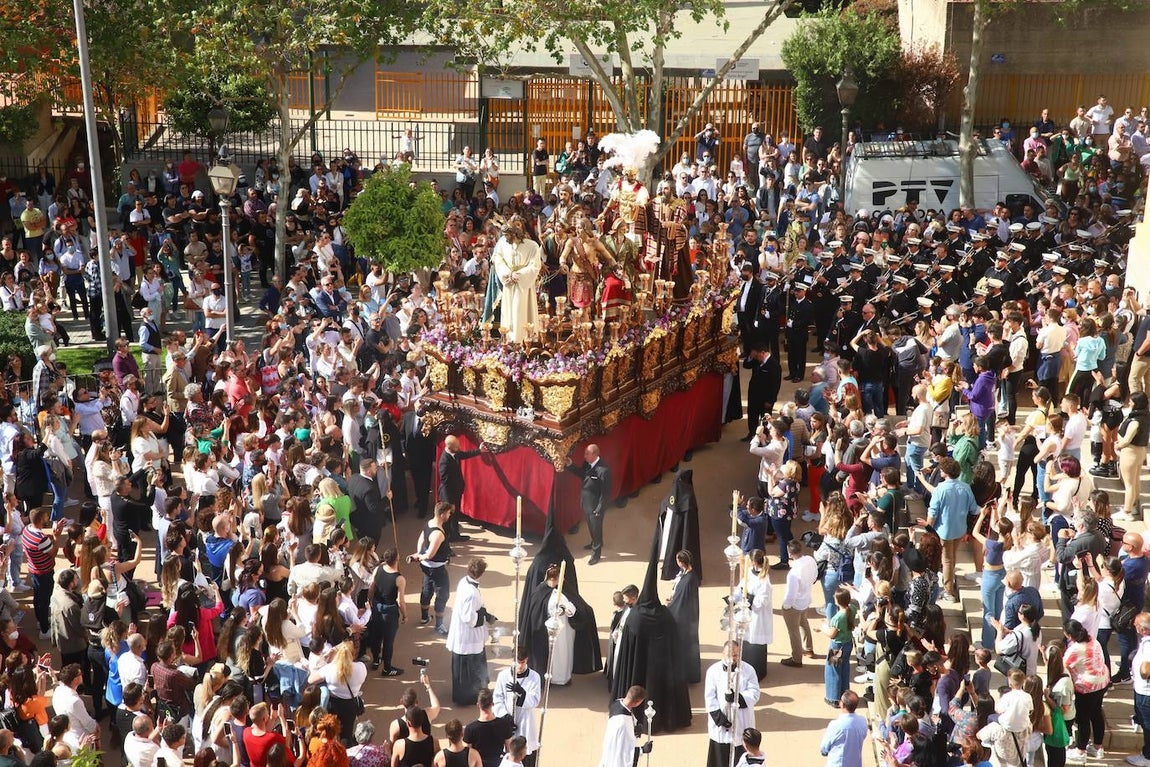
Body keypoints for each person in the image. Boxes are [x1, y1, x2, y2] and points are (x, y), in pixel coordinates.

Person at [446, 557, 494, 706]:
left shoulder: (464, 581)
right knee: (471, 665)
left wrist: (485, 613)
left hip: (464, 633)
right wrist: (484, 617)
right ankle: (469, 696)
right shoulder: (471, 593)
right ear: (481, 574)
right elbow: (469, 618)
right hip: (468, 636)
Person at [704, 641, 759, 767]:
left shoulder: (749, 670)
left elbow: (754, 693)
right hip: (721, 726)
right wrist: (719, 719)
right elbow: (710, 697)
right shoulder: (713, 671)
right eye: (729, 654)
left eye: (735, 655)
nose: (732, 658)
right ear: (722, 653)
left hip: (741, 721)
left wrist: (737, 698)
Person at [490, 216, 542, 343]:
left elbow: (535, 265)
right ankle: (509, 339)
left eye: (508, 235)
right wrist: (507, 274)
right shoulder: (503, 245)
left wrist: (519, 275)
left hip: (523, 284)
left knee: (522, 310)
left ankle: (525, 339)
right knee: (509, 313)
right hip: (509, 283)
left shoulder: (532, 245)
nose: (505, 238)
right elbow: (498, 260)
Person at [491, 646, 540, 767]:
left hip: (525, 724)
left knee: (527, 758)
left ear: (527, 660)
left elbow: (535, 700)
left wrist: (522, 693)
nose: (520, 666)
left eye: (523, 662)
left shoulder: (534, 677)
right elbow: (497, 699)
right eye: (518, 662)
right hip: (508, 725)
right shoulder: (503, 676)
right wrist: (504, 717)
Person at [565, 444, 610, 564]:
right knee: (591, 526)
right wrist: (570, 465)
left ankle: (596, 553)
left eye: (587, 454)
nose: (584, 456)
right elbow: (582, 474)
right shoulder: (587, 464)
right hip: (586, 502)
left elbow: (605, 493)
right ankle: (595, 542)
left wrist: (599, 508)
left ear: (595, 455)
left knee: (596, 528)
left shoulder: (603, 471)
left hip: (595, 506)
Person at [437, 435, 482, 543]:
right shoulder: (444, 462)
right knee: (447, 520)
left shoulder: (455, 453)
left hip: (456, 491)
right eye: (457, 447)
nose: (459, 448)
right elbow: (445, 483)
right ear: (450, 447)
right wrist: (450, 503)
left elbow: (464, 454)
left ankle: (455, 535)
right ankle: (446, 543)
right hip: (448, 495)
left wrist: (479, 451)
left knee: (455, 516)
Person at [666, 550, 701, 685]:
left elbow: (682, 601)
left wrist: (670, 607)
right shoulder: (685, 575)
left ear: (681, 562)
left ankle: (687, 673)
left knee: (685, 645)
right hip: (685, 614)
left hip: (684, 618)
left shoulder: (689, 580)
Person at [598, 685, 651, 767]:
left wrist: (634, 728)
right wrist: (642, 750)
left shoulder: (617, 703)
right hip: (616, 759)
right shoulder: (624, 724)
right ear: (637, 702)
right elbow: (624, 754)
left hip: (610, 749)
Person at [463, 688, 515, 767]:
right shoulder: (504, 724)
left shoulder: (470, 729)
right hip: (499, 764)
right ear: (492, 704)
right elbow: (509, 751)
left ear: (478, 705)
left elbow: (467, 756)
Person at [819, 691, 868, 767]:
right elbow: (864, 736)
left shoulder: (835, 725)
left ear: (842, 704)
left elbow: (824, 747)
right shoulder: (862, 721)